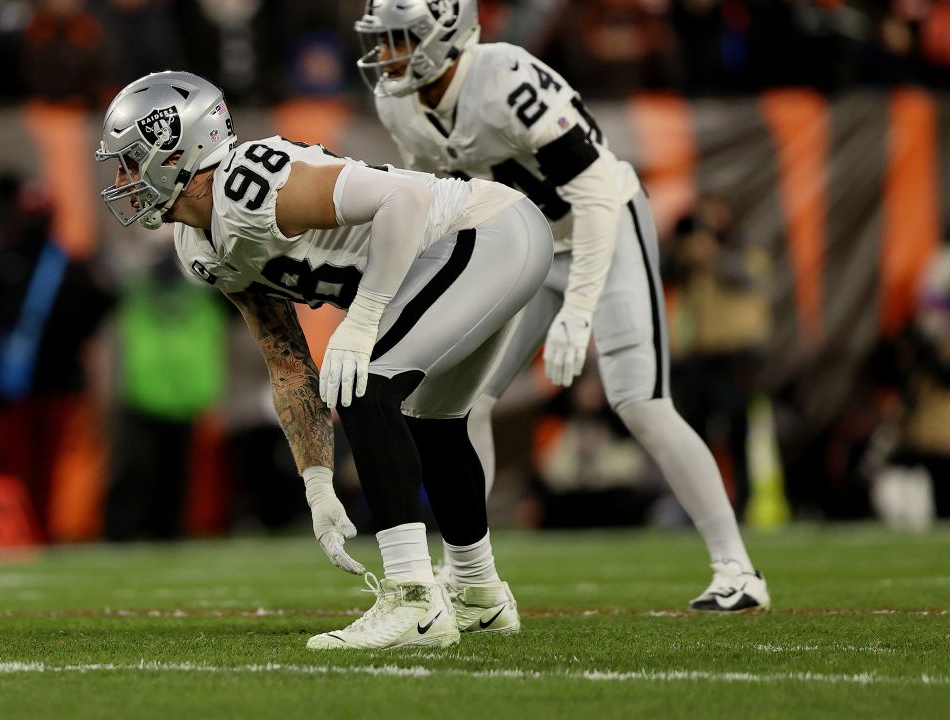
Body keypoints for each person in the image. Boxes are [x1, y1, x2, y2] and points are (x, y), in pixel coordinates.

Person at [96, 71, 554, 649]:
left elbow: (404, 198)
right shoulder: (200, 248)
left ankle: (413, 600)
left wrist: (363, 319)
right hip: (474, 251)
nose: (121, 180)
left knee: (363, 379)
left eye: (131, 162)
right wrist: (317, 484)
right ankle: (479, 591)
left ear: (178, 151)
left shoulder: (249, 185)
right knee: (429, 421)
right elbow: (287, 362)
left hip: (485, 232)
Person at [356, 0, 768, 612]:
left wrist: (578, 309)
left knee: (641, 403)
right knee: (460, 408)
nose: (387, 55)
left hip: (603, 225)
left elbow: (597, 189)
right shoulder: (397, 101)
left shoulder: (504, 79)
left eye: (401, 39)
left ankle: (738, 569)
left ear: (449, 33)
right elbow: (431, 197)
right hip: (522, 245)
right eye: (381, 40)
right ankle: (467, 574)